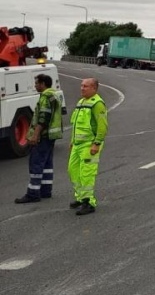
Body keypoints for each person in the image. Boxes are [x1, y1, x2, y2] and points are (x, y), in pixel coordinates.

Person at [14, 74, 63, 204]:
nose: (35, 86)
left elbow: (43, 118)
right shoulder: (54, 95)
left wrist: (35, 135)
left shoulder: (45, 97)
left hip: (43, 135)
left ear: (43, 84)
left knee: (36, 163)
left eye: (36, 83)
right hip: (51, 136)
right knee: (47, 163)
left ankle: (33, 194)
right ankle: (45, 191)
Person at [68, 77, 108, 216]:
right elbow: (76, 124)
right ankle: (80, 197)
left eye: (85, 86)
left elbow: (102, 127)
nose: (82, 88)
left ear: (94, 89)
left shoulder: (97, 104)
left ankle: (88, 203)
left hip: (89, 145)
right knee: (73, 170)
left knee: (86, 174)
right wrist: (72, 141)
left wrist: (96, 144)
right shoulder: (81, 102)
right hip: (77, 145)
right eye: (81, 85)